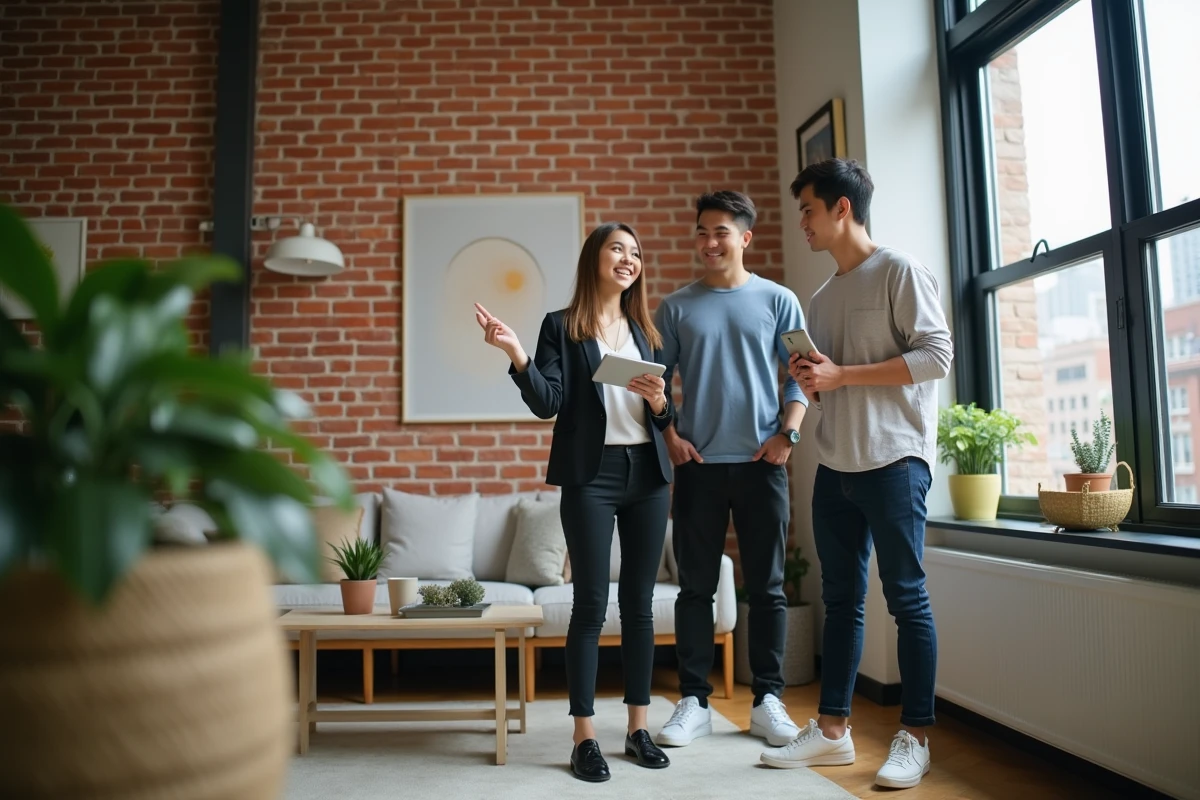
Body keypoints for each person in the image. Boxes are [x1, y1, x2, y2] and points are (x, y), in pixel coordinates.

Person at [761, 158, 953, 790]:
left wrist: (843, 374)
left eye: (809, 211)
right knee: (840, 601)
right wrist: (813, 380)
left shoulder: (899, 270)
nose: (803, 224)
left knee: (907, 600)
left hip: (894, 462)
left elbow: (936, 355)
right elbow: (832, 385)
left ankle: (914, 736)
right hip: (836, 463)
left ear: (843, 208)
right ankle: (834, 734)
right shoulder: (820, 297)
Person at [475, 222, 675, 783]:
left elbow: (666, 418)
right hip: (594, 475)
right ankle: (584, 737)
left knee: (639, 605)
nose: (629, 259)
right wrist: (517, 354)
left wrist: (661, 403)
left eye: (636, 252)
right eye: (618, 248)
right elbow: (549, 403)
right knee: (589, 603)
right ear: (595, 258)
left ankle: (638, 730)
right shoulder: (561, 327)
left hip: (649, 476)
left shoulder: (650, 334)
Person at [652, 191, 809, 749]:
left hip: (762, 464)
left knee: (767, 588)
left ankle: (769, 700)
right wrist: (668, 435)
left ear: (745, 238)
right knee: (694, 589)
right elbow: (655, 383)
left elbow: (802, 374)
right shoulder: (675, 307)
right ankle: (693, 700)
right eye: (701, 232)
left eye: (720, 231)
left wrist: (788, 434)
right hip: (698, 466)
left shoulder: (779, 300)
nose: (709, 242)